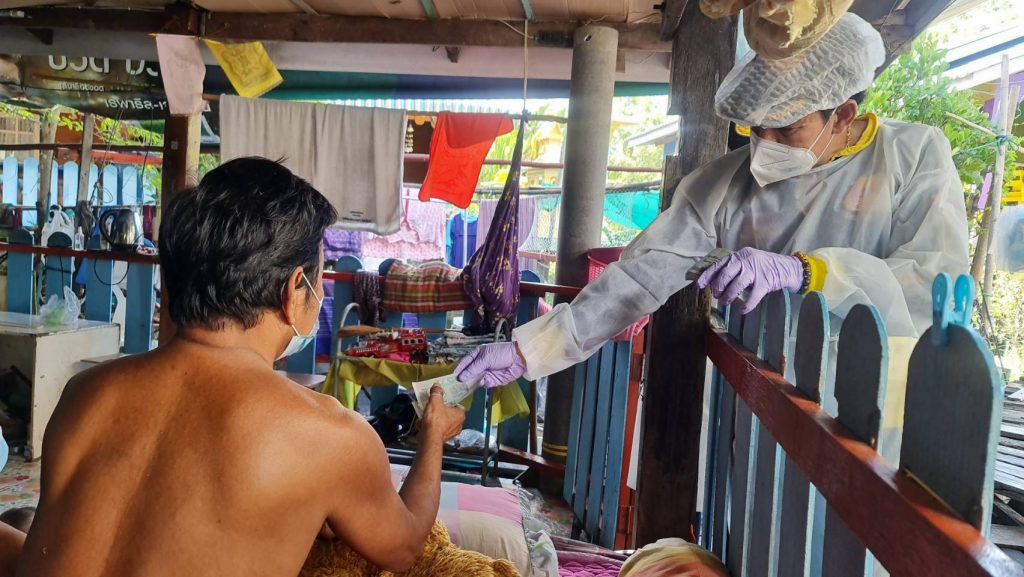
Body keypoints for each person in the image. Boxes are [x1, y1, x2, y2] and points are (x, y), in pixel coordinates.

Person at [456, 13, 969, 392]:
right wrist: (527, 350)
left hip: (873, 395)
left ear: (843, 115)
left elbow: (931, 283)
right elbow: (637, 278)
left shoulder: (913, 156)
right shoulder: (724, 184)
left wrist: (809, 272)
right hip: (763, 391)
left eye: (788, 129)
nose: (766, 144)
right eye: (756, 129)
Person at [17, 158, 466, 577]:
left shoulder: (85, 391)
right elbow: (404, 547)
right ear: (295, 289)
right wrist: (432, 436)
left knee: (20, 518)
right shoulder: (330, 436)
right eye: (319, 277)